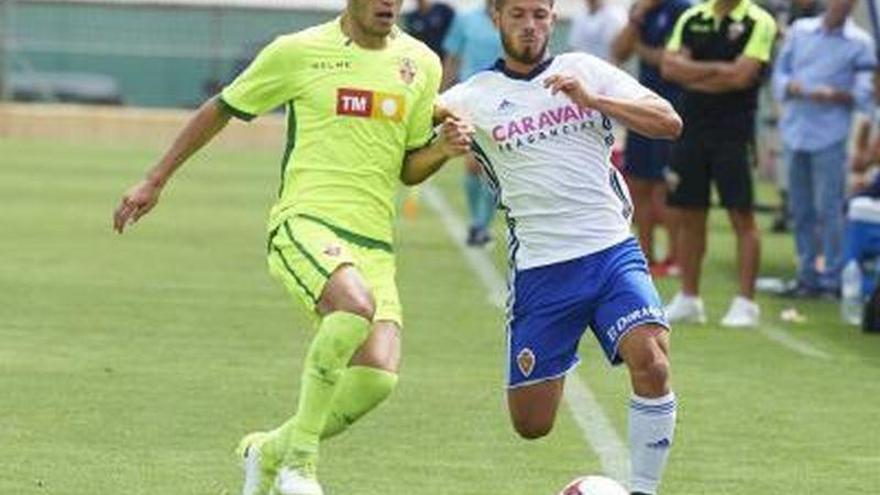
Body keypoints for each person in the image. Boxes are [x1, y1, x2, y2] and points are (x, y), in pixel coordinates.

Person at [111, 1, 473, 494]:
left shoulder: (421, 64)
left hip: (374, 242)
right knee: (353, 308)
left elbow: (409, 166)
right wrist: (155, 179)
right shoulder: (297, 51)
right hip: (305, 223)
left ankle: (269, 452)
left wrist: (442, 150)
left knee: (376, 379)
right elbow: (222, 107)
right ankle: (299, 464)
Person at [436, 0, 682, 493]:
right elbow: (410, 147)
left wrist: (596, 101)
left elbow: (668, 121)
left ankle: (643, 489)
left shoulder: (585, 70)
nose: (530, 26)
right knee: (531, 423)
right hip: (543, 272)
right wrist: (444, 138)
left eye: (540, 15)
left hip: (612, 251)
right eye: (518, 15)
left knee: (653, 361)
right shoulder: (471, 96)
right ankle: (567, 343)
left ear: (553, 19)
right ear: (496, 19)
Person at [660, 0, 777, 327]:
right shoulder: (692, 17)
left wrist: (693, 70)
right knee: (689, 213)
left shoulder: (759, 21)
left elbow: (742, 77)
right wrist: (719, 70)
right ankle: (689, 298)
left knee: (741, 213)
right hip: (691, 127)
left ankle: (745, 303)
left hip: (734, 132)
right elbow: (669, 68)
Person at [772, 0, 876, 298]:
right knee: (800, 209)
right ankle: (807, 275)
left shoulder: (860, 43)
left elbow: (864, 93)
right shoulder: (800, 31)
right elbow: (780, 73)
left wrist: (835, 94)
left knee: (829, 209)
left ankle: (831, 277)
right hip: (796, 129)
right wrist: (793, 88)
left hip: (830, 134)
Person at [611, 0, 692, 277]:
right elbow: (619, 50)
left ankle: (673, 258)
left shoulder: (682, 9)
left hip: (672, 107)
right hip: (641, 106)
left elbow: (671, 61)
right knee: (638, 182)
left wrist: (641, 49)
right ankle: (645, 257)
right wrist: (637, 18)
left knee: (664, 186)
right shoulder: (642, 10)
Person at [442, 0, 504, 247]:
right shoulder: (466, 19)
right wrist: (441, 94)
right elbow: (453, 58)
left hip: (503, 102)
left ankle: (481, 225)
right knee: (472, 165)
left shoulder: (513, 17)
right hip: (470, 102)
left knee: (491, 167)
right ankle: (478, 223)